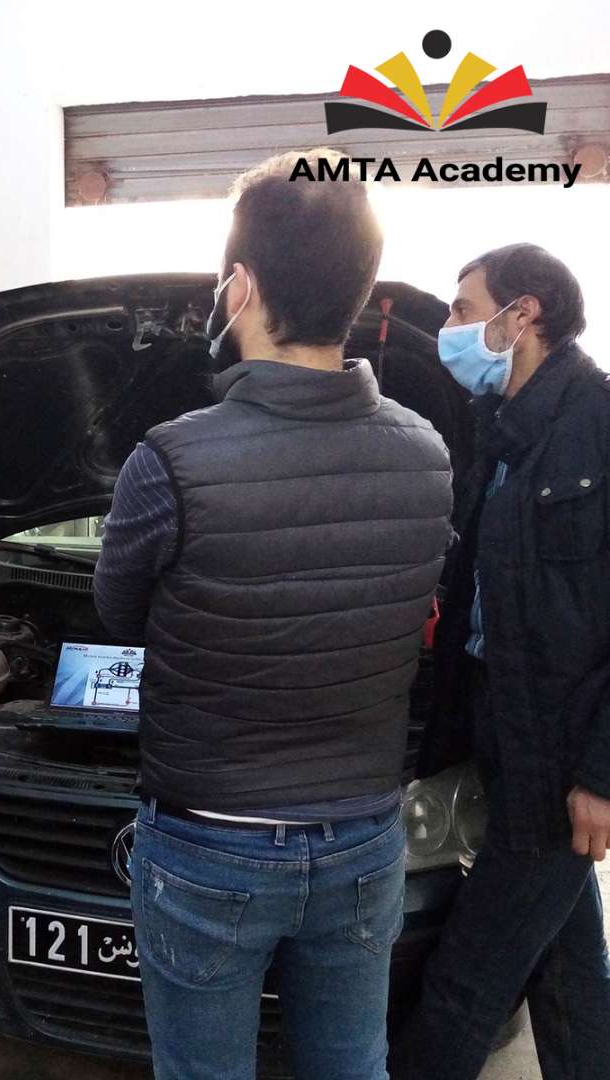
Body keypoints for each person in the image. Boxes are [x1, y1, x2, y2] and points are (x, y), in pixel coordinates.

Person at [93, 149, 454, 1080]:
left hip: (209, 845)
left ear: (241, 287)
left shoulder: (170, 460)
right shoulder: (427, 453)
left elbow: (118, 611)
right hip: (365, 840)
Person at [391, 244, 610, 1080]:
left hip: (558, 757)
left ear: (523, 315)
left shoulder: (600, 424)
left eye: (462, 309)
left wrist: (601, 773)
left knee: (465, 982)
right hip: (501, 732)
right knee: (567, 969)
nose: (448, 327)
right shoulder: (503, 431)